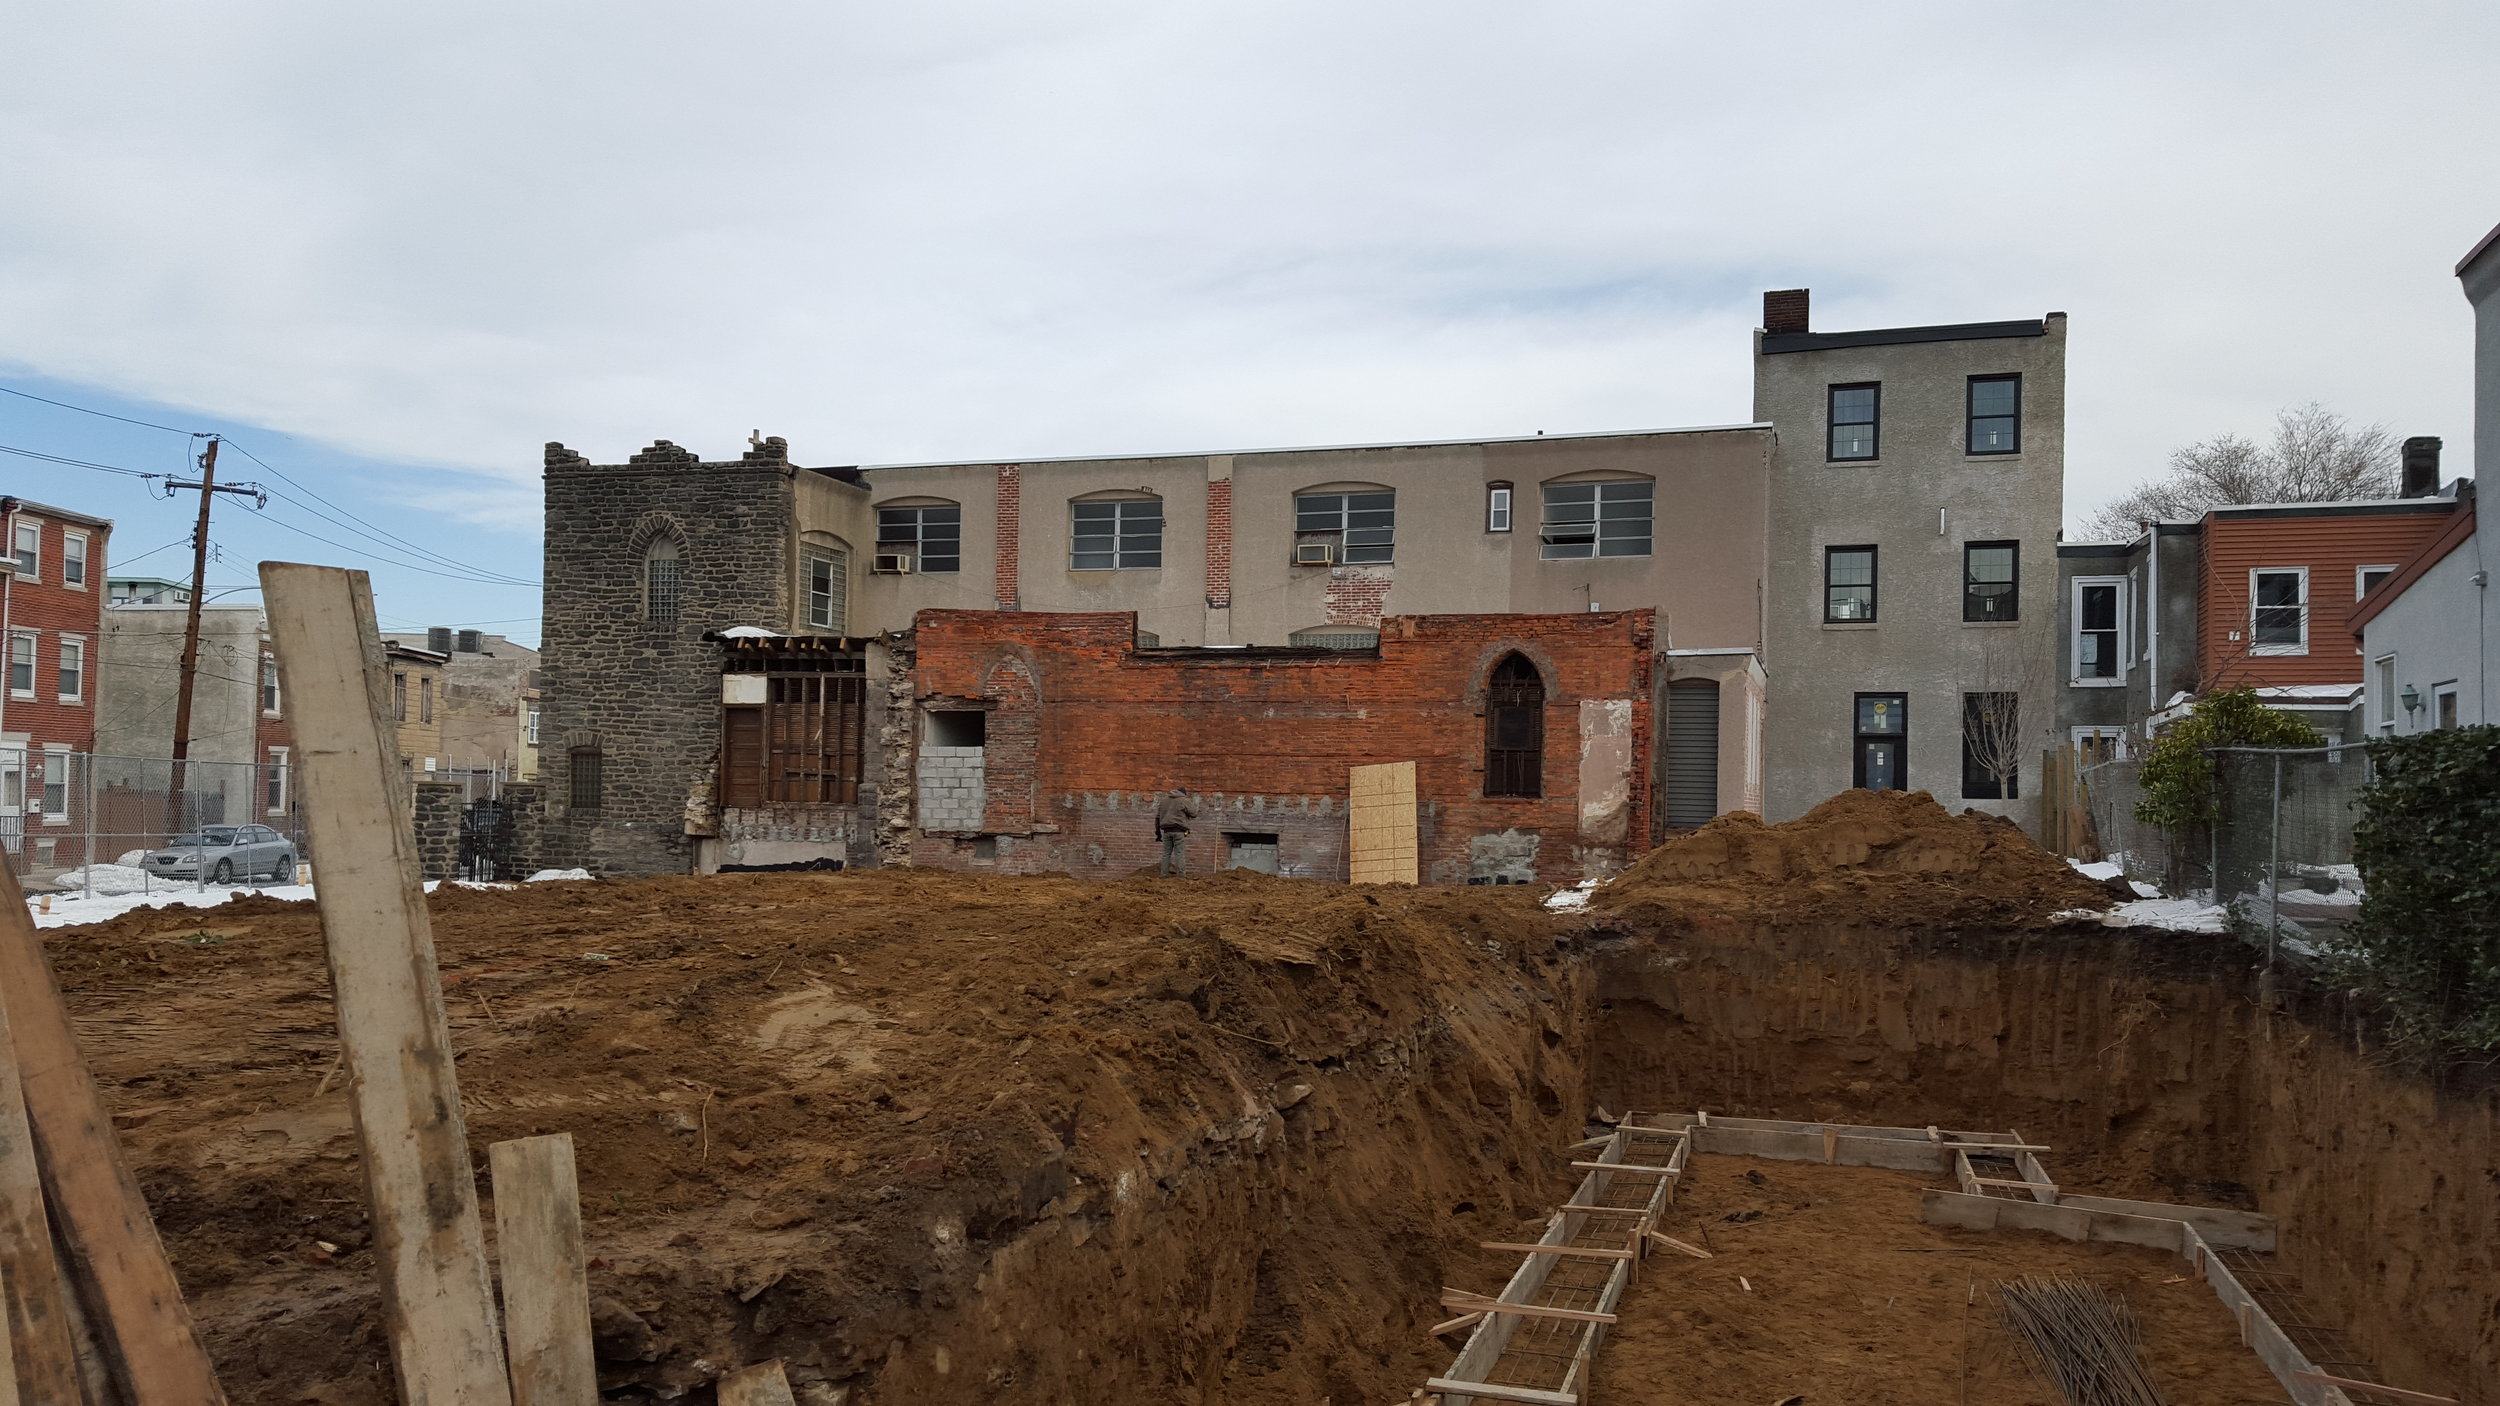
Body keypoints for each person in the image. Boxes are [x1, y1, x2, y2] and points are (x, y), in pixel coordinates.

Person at [1154, 785, 1200, 877]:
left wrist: (1158, 833)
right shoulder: (1183, 800)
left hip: (1166, 831)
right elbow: (1194, 813)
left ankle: (1163, 875)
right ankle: (1181, 876)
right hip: (1179, 830)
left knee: (1166, 853)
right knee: (1179, 853)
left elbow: (1157, 818)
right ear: (1184, 793)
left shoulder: (1164, 801)